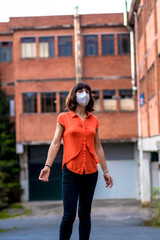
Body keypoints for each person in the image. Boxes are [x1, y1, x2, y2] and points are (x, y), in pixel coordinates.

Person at [39, 82, 113, 240]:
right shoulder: (64, 118)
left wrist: (106, 171)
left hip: (91, 172)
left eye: (87, 91)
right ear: (73, 95)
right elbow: (55, 143)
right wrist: (47, 166)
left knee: (85, 214)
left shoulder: (94, 120)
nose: (84, 93)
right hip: (71, 172)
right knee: (69, 215)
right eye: (80, 90)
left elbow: (98, 146)